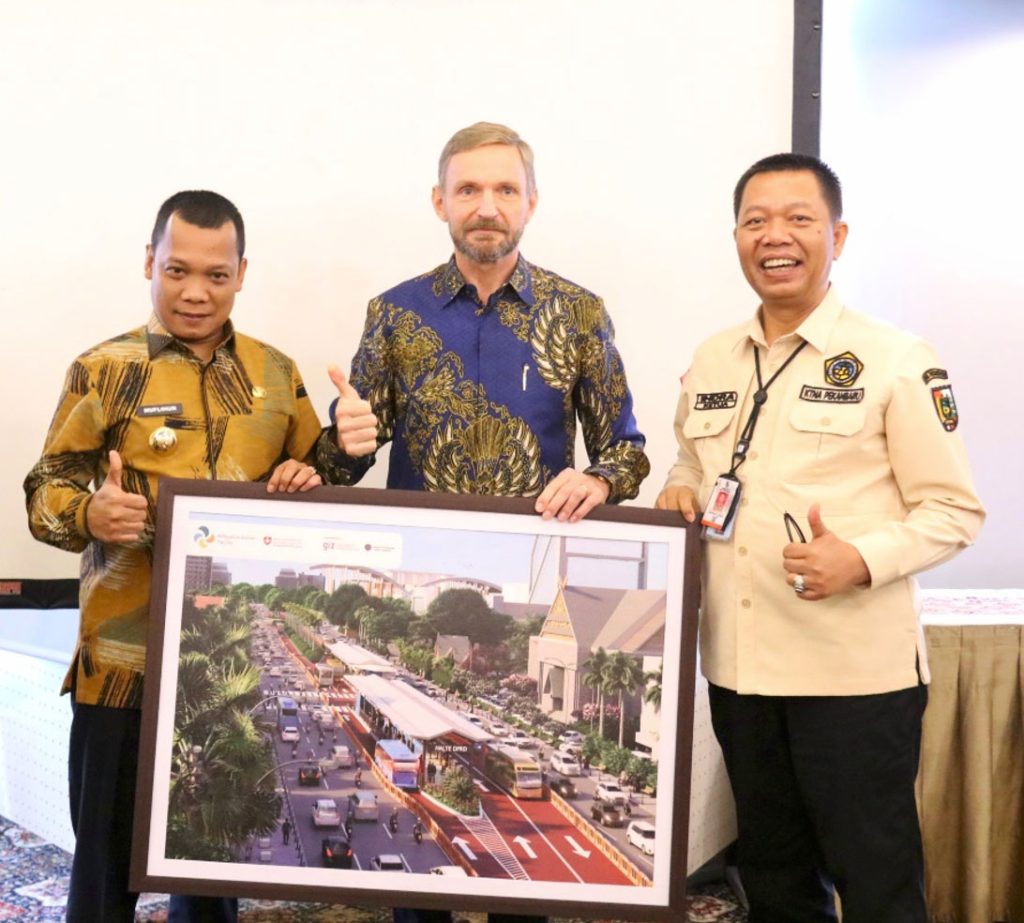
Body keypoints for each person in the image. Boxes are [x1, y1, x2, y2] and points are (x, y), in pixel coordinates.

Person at [321, 122, 650, 923]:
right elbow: (344, 460)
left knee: (521, 909)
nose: (487, 206)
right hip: (425, 545)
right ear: (440, 201)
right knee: (415, 902)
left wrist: (599, 477)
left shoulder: (578, 314)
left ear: (531, 203)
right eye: (469, 189)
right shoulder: (394, 315)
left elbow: (629, 452)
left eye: (505, 189)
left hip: (525, 572)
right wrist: (343, 436)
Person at [656, 154, 984, 923]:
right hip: (740, 672)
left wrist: (862, 557)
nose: (777, 236)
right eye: (756, 220)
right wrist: (678, 487)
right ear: (736, 236)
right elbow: (692, 460)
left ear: (836, 235)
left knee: (877, 880)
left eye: (799, 219)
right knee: (772, 879)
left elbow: (954, 509)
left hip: (852, 681)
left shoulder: (897, 359)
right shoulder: (712, 358)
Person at [24, 191, 329, 923]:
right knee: (103, 872)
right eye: (177, 270)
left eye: (216, 275)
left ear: (242, 272)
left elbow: (323, 485)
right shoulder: (103, 369)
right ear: (149, 262)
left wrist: (320, 468)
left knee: (210, 872)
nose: (195, 292)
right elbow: (45, 490)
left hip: (223, 674)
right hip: (122, 668)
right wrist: (89, 511)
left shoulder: (276, 375)